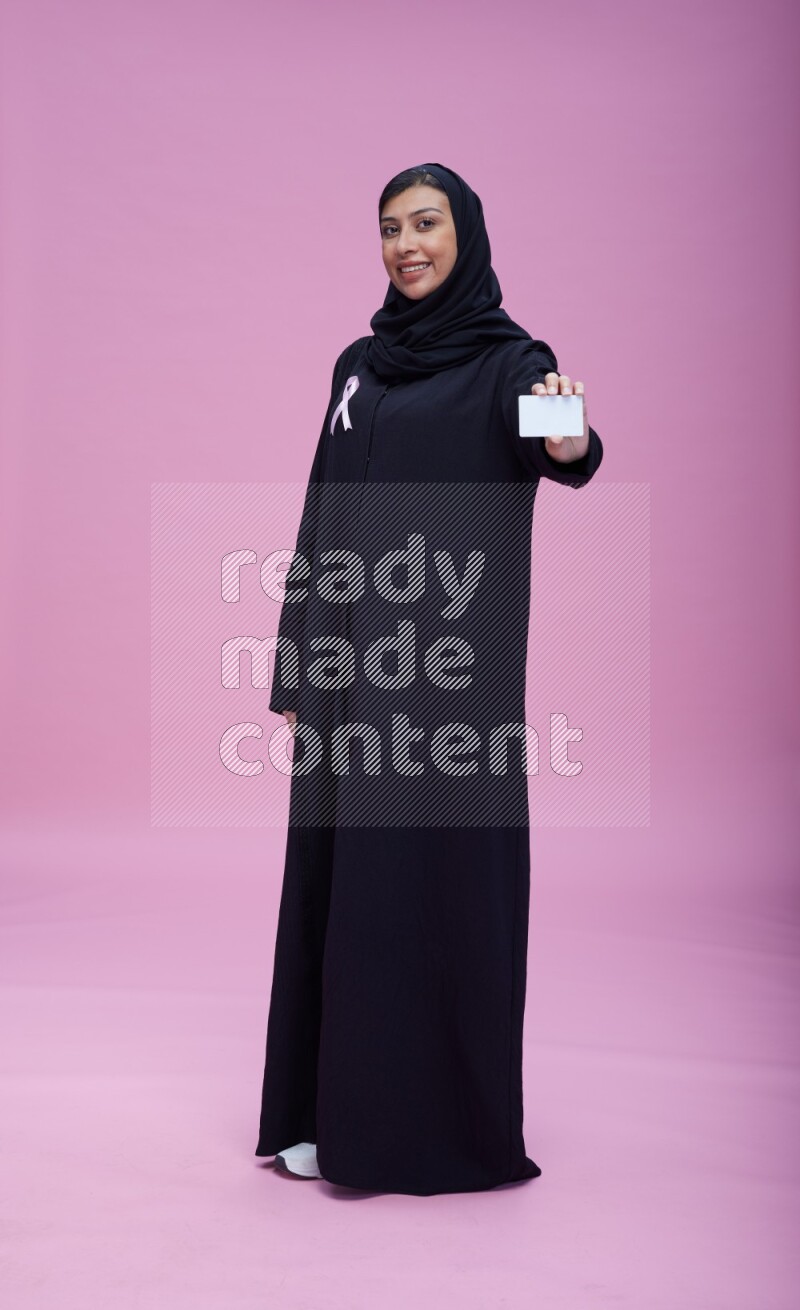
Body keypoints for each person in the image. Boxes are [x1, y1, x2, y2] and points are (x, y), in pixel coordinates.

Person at [254, 162, 604, 1195]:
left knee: (425, 894)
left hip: (446, 688)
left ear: (467, 235)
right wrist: (293, 659)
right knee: (337, 890)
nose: (405, 244)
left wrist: (570, 430)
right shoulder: (356, 365)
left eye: (424, 223)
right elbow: (319, 509)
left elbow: (564, 454)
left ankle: (421, 1132)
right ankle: (322, 1112)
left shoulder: (511, 363)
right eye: (389, 227)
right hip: (342, 672)